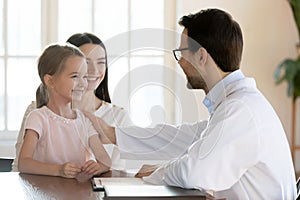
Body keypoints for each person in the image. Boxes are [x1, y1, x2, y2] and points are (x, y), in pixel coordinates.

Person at [89, 8, 297, 199]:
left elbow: (195, 173)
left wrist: (156, 173)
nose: (179, 62)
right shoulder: (235, 104)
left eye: (181, 53)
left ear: (201, 56)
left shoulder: (241, 109)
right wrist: (114, 135)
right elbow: (182, 138)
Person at [12, 33, 132, 171]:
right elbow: (20, 165)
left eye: (101, 62)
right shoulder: (36, 112)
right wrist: (58, 171)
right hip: (40, 190)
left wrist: (95, 167)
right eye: (86, 63)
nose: (92, 71)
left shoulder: (103, 118)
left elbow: (110, 167)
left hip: (86, 190)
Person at [18, 44, 111, 179]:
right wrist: (59, 170)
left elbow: (105, 161)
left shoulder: (84, 120)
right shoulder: (38, 118)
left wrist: (98, 167)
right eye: (74, 76)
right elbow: (24, 164)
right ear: (50, 81)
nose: (82, 83)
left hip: (76, 193)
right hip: (44, 193)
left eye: (84, 77)